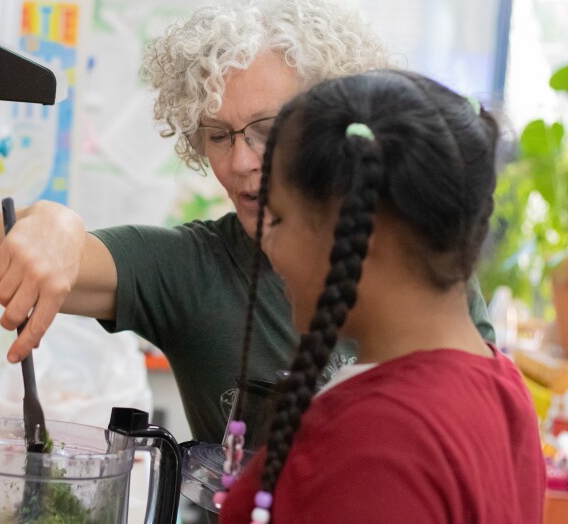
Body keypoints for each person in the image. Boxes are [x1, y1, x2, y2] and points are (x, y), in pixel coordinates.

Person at [0, 0, 494, 444]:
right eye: (217, 135)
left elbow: (482, 422)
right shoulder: (194, 271)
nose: (240, 161)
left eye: (266, 128)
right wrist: (54, 224)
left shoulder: (415, 262)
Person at [219, 70, 545, 523]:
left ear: (358, 229)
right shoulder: (503, 386)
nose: (268, 247)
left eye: (278, 219)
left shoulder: (378, 442)